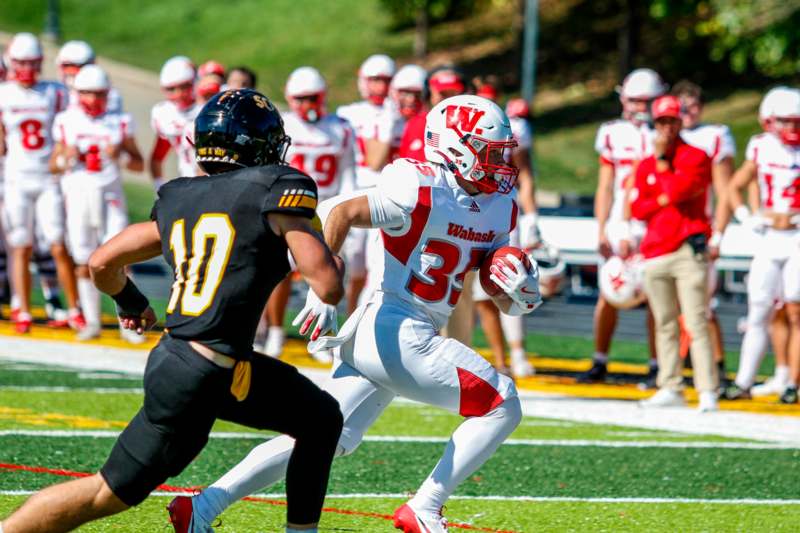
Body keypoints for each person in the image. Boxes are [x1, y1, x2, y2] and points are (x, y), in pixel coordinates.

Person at [171, 95, 540, 533]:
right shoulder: (420, 185)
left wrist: (516, 286)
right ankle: (426, 505)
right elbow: (338, 210)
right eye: (491, 151)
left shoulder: (500, 205)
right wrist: (321, 292)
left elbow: (491, 284)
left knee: (329, 437)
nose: (501, 162)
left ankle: (201, 508)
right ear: (457, 147)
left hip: (380, 332)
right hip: (400, 329)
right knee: (502, 404)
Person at [0, 88, 345, 533]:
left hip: (187, 361)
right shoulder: (275, 191)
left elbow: (102, 261)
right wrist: (320, 239)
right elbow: (328, 285)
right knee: (108, 492)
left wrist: (131, 301)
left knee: (319, 417)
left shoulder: (181, 196)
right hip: (205, 372)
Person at [261, 66, 356, 361]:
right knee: (281, 272)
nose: (307, 105)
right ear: (290, 98)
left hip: (327, 207)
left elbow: (348, 173)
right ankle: (275, 332)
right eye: (300, 98)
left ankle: (320, 336)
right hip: (289, 208)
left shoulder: (340, 127)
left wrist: (346, 213)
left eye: (312, 98)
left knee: (326, 273)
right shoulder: (284, 124)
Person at [631, 95, 718, 412]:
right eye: (662, 122)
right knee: (664, 322)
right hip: (655, 248)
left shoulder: (696, 155)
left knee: (695, 320)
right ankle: (671, 385)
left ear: (681, 122)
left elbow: (679, 191)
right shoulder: (645, 164)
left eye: (672, 121)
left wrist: (662, 169)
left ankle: (707, 388)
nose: (667, 128)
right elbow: (638, 208)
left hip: (685, 247)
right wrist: (660, 194)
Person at [579, 68, 663, 385]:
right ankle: (600, 359)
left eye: (645, 101)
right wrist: (602, 228)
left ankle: (658, 364)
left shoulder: (665, 132)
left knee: (656, 295)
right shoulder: (613, 132)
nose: (638, 107)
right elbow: (606, 185)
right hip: (619, 221)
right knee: (609, 291)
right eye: (634, 100)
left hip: (654, 221)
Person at [50, 65, 145, 342]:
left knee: (121, 258)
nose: (93, 100)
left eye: (98, 94)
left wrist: (121, 157)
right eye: (87, 94)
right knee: (82, 259)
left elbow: (139, 164)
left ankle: (129, 321)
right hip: (79, 195)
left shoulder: (119, 121)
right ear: (78, 94)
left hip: (110, 196)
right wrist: (65, 157)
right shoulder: (67, 120)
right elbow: (52, 166)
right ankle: (92, 321)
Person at [0, 32, 84, 334]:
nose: (26, 69)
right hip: (16, 179)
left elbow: (69, 129)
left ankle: (75, 308)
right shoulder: (4, 94)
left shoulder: (56, 92)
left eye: (31, 63)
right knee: (19, 246)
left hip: (48, 178)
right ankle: (20, 307)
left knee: (58, 245)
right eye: (21, 62)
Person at [724, 87, 800, 404]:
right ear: (770, 121)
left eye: (797, 122)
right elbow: (734, 185)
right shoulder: (760, 147)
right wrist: (745, 215)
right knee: (758, 308)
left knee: (796, 310)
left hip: (797, 238)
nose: (793, 130)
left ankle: (792, 384)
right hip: (770, 239)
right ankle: (743, 380)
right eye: (786, 122)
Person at [470, 90, 540, 378]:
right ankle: (500, 360)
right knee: (479, 291)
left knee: (511, 277)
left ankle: (518, 352)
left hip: (502, 207)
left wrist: (533, 215)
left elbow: (523, 172)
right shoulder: (460, 129)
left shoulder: (514, 128)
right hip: (468, 208)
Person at [673, 80, 736, 383]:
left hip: (699, 229)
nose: (687, 112)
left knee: (702, 305)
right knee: (668, 305)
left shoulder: (713, 136)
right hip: (668, 229)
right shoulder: (662, 136)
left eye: (693, 105)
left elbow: (725, 190)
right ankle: (675, 367)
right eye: (681, 106)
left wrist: (719, 234)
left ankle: (718, 368)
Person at [336, 54, 396, 313]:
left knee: (375, 269)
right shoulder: (347, 114)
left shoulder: (400, 115)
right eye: (375, 80)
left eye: (386, 81)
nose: (380, 88)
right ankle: (349, 320)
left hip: (387, 195)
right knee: (355, 267)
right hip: (356, 193)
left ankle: (355, 323)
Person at [149, 56, 198, 190]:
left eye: (184, 86)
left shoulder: (208, 107)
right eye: (171, 89)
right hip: (189, 184)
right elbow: (157, 156)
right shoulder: (164, 113)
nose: (179, 94)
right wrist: (159, 189)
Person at [56, 40, 124, 113]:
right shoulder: (55, 91)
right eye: (67, 66)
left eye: (80, 67)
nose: (73, 72)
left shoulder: (108, 96)